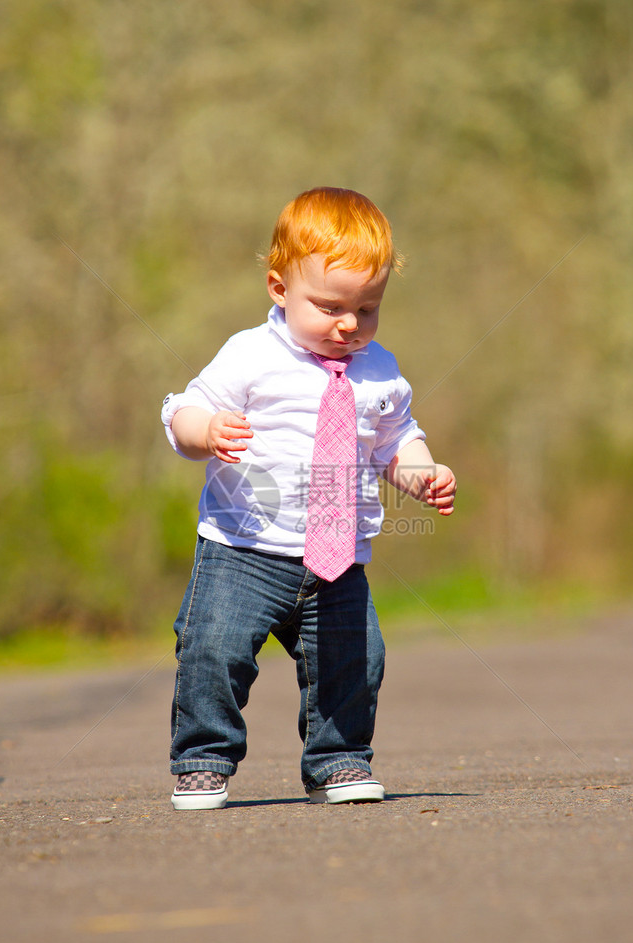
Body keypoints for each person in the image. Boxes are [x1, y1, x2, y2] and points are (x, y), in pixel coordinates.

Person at [161, 187, 456, 810]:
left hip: (338, 554)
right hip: (244, 545)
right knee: (213, 649)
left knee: (356, 659)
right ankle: (204, 756)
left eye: (367, 309)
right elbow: (182, 409)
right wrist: (206, 431)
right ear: (279, 289)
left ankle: (340, 759)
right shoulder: (251, 355)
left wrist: (421, 474)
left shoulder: (380, 370)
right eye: (330, 307)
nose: (350, 325)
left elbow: (396, 439)